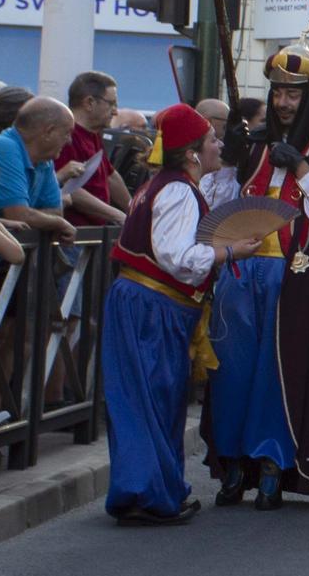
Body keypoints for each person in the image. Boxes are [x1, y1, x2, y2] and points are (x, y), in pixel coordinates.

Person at [202, 44, 309, 510]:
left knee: (279, 374)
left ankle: (272, 464)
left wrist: (300, 166)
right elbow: (215, 208)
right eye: (277, 93)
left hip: (295, 275)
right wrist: (229, 161)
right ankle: (232, 466)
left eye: (293, 94)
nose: (284, 103)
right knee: (230, 371)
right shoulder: (252, 142)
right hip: (239, 272)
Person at [100, 105, 249, 524]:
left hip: (144, 302)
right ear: (192, 153)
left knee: (143, 399)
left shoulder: (159, 184)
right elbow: (177, 258)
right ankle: (147, 494)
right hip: (154, 306)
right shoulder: (179, 191)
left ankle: (150, 488)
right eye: (212, 139)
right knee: (151, 400)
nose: (219, 144)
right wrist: (230, 251)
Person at [0, 96, 76, 244]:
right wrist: (58, 223)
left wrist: (40, 217)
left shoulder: (45, 159)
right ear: (49, 132)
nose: (69, 140)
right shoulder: (4, 147)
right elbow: (18, 215)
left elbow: (57, 212)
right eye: (67, 132)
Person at [57, 71, 129, 227]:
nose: (116, 111)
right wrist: (118, 215)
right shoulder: (67, 136)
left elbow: (110, 176)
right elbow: (70, 189)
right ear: (89, 102)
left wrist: (133, 210)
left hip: (92, 234)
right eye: (112, 103)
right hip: (75, 236)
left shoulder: (93, 133)